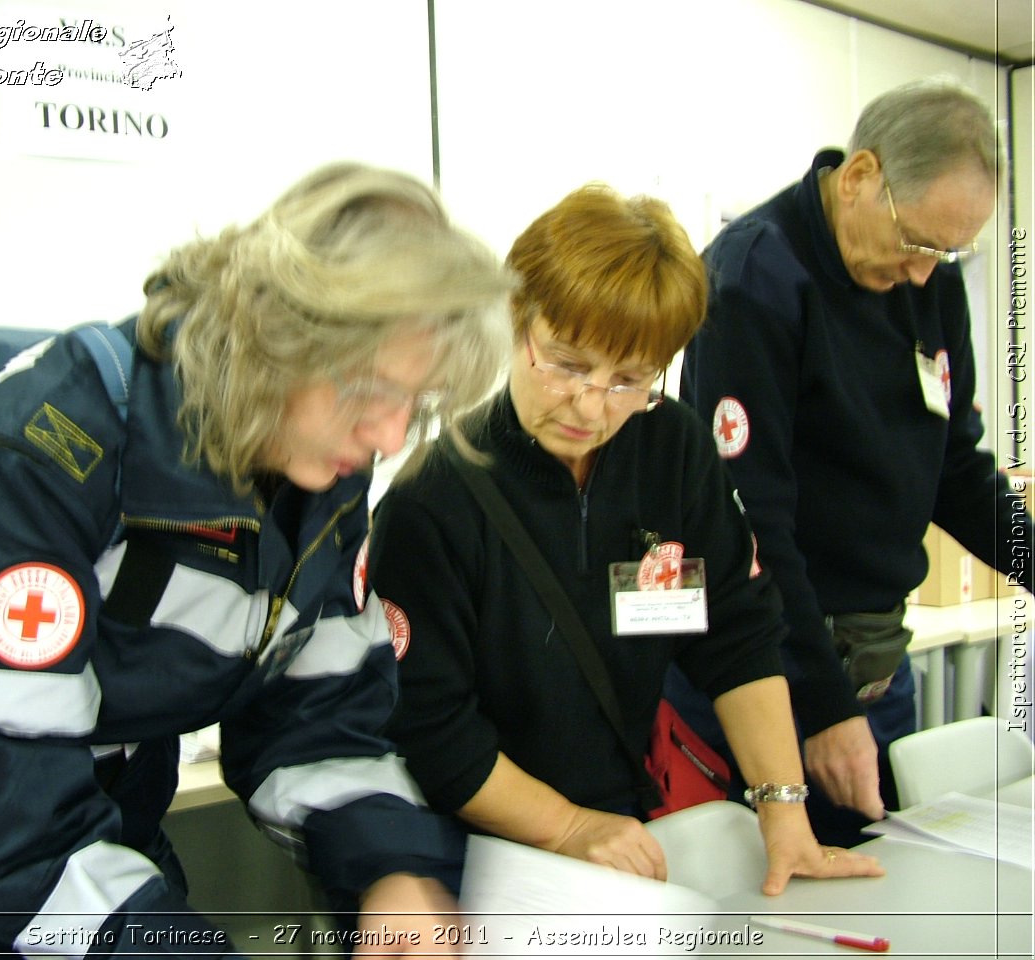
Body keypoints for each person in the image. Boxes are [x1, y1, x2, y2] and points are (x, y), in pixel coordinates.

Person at [0, 162, 514, 956]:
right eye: (370, 391)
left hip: (111, 795)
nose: (392, 436)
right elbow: (15, 820)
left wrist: (391, 872)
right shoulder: (44, 454)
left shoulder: (317, 455)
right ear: (276, 337)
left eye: (417, 401)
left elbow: (317, 712)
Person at [367, 183, 883, 895]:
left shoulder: (671, 450)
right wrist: (569, 828)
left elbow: (736, 635)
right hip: (476, 851)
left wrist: (786, 815)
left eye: (628, 379)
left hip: (622, 831)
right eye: (568, 363)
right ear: (518, 318)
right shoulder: (434, 500)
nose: (590, 405)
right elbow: (433, 732)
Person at [674, 78, 1033, 847]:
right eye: (917, 241)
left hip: (874, 663)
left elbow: (954, 470)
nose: (925, 275)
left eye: (949, 251)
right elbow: (751, 524)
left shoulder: (925, 280)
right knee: (781, 911)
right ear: (861, 174)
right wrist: (827, 705)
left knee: (886, 887)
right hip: (770, 668)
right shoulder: (753, 278)